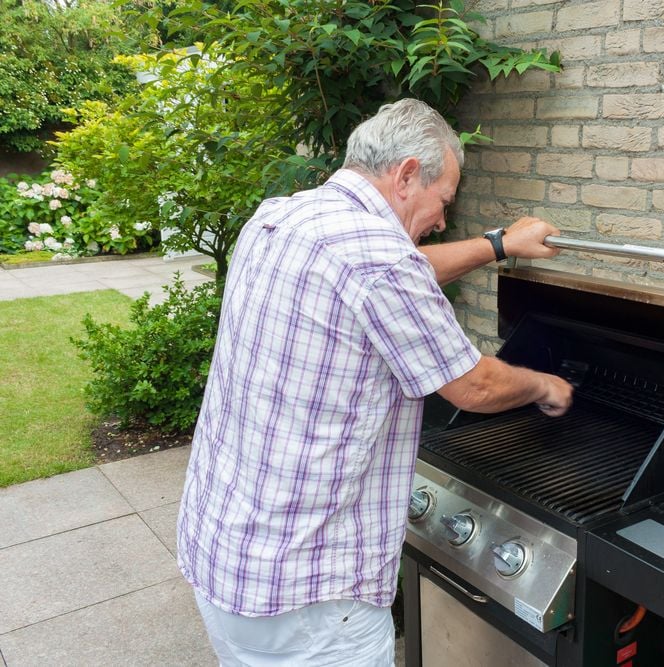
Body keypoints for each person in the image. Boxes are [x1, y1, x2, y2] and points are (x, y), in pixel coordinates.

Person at [176, 98, 574, 666]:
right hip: (308, 596)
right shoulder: (377, 259)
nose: (441, 219)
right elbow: (473, 386)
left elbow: (397, 270)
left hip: (228, 554)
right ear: (407, 174)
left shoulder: (281, 217)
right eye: (444, 201)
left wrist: (499, 245)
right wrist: (545, 386)